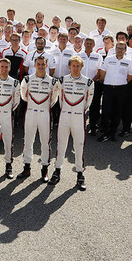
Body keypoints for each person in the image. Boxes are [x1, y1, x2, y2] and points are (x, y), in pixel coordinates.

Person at [53, 56, 94, 190]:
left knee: (79, 146)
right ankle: (57, 170)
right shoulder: (62, 80)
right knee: (61, 145)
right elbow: (59, 100)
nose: (75, 68)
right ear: (69, 66)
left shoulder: (88, 82)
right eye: (73, 66)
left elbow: (88, 103)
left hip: (78, 117)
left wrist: (78, 111)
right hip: (64, 116)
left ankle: (80, 174)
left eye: (78, 66)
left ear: (82, 67)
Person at [19, 56, 59, 180]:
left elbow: (54, 99)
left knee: (45, 143)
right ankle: (26, 168)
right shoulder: (27, 79)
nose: (41, 66)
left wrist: (43, 107)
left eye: (43, 64)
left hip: (45, 114)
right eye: (38, 64)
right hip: (30, 112)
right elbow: (24, 96)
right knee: (28, 141)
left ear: (47, 65)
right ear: (34, 65)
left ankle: (44, 170)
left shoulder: (53, 81)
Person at [96, 41, 132, 142]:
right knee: (106, 111)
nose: (120, 50)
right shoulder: (108, 59)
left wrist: (121, 82)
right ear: (115, 49)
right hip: (108, 88)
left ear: (125, 50)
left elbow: (130, 76)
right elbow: (102, 73)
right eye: (118, 48)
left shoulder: (129, 61)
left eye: (122, 48)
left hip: (121, 89)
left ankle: (113, 132)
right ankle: (105, 132)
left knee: (117, 112)